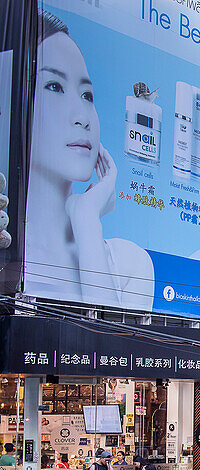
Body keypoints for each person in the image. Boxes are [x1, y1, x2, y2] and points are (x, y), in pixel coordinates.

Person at [24, 11, 153, 310]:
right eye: (54, 87)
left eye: (87, 95)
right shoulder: (11, 255)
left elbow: (110, 352)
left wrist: (86, 220)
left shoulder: (129, 265)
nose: (82, 117)